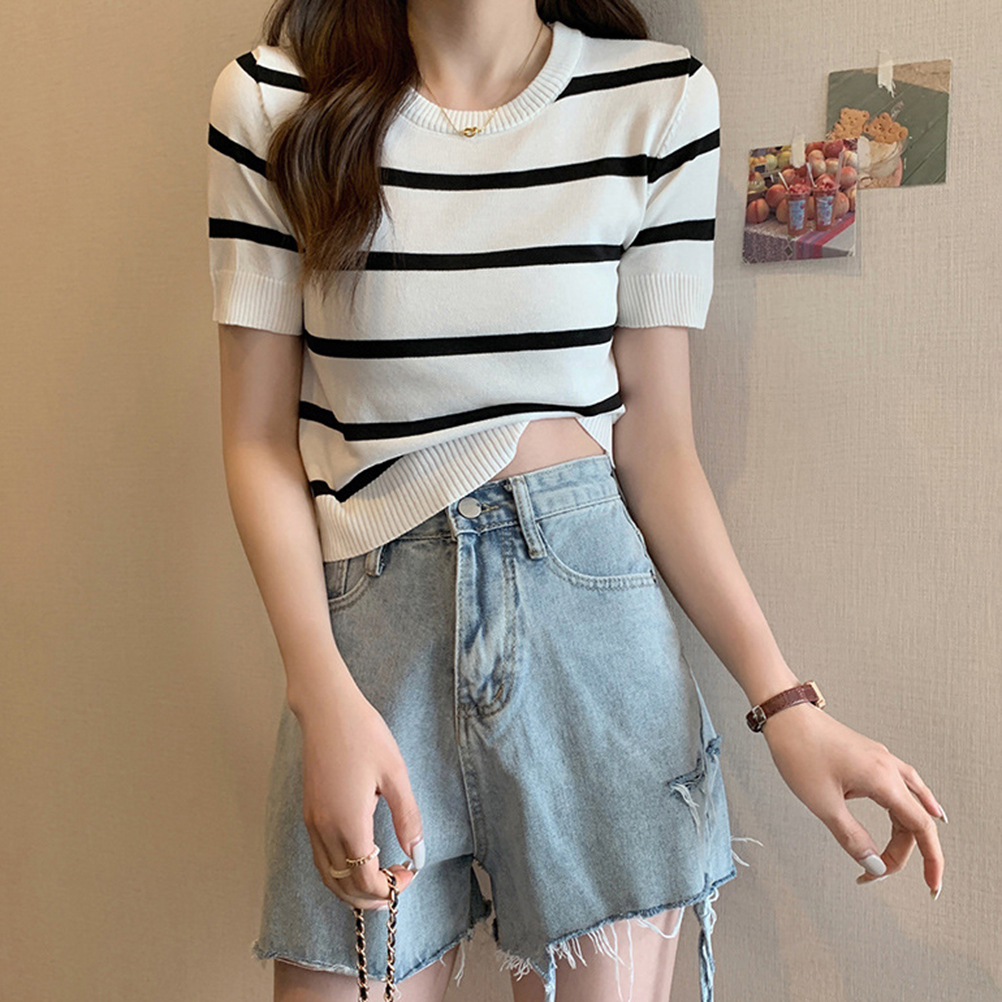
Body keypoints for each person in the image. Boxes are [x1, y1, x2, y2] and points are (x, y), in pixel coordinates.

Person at [206, 3, 947, 1001]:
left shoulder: (656, 98)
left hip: (594, 639)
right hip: (369, 654)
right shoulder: (274, 100)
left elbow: (657, 446)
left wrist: (785, 704)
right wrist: (318, 687)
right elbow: (257, 442)